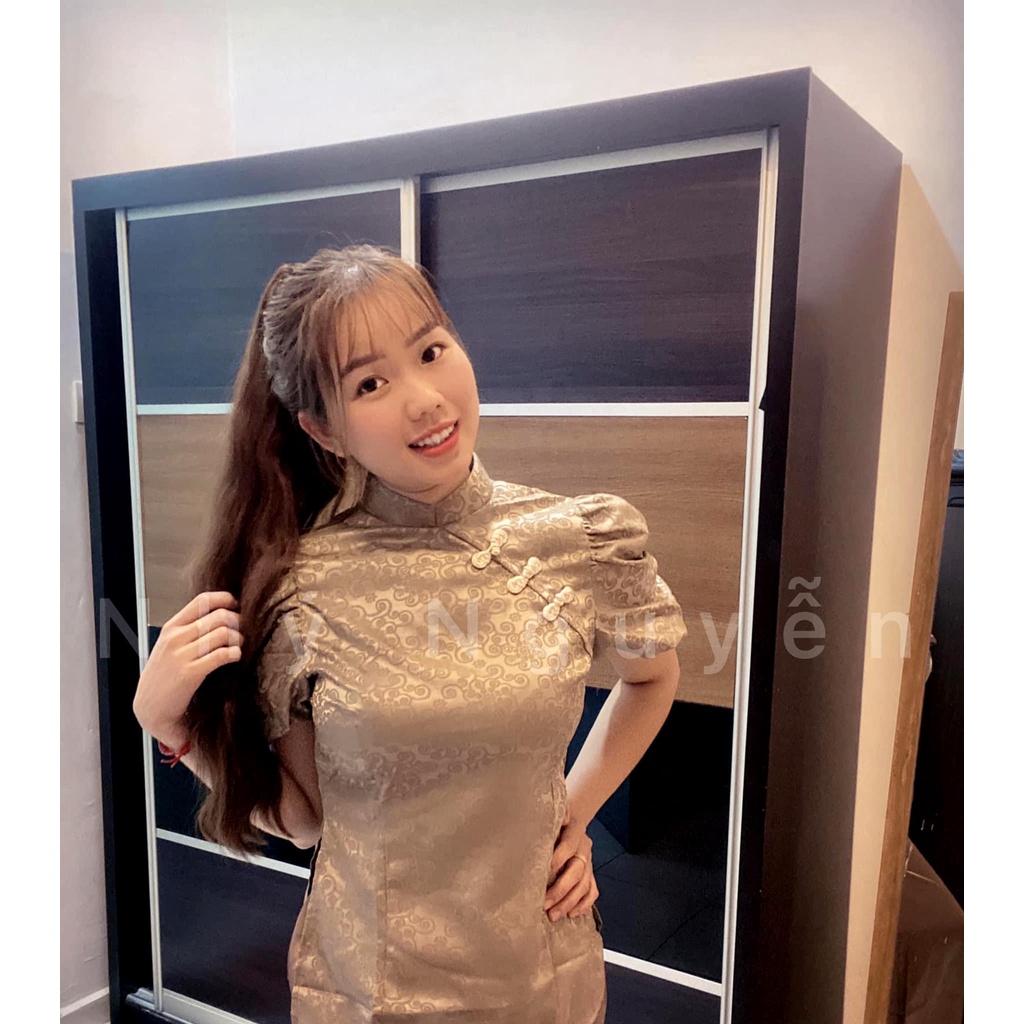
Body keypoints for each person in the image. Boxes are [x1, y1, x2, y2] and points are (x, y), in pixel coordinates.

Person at [132, 244, 688, 1023]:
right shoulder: (299, 589)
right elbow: (304, 822)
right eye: (370, 383)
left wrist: (570, 812)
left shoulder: (580, 538)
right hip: (368, 989)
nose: (425, 400)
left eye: (430, 351)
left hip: (541, 975)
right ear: (323, 429)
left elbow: (652, 676)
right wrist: (171, 724)